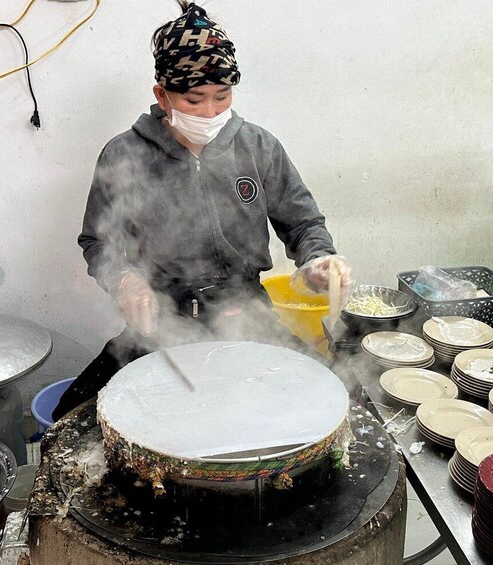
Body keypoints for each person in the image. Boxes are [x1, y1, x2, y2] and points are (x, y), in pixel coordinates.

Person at [53, 1, 351, 420]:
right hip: (162, 318)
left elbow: (304, 225)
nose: (210, 112)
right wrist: (124, 281)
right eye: (194, 100)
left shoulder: (258, 147)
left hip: (246, 311)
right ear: (162, 94)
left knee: (331, 402)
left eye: (222, 97)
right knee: (75, 418)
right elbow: (98, 242)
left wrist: (319, 259)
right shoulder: (125, 154)